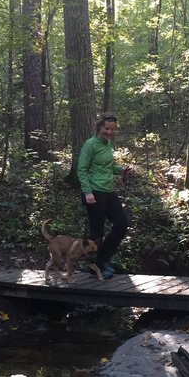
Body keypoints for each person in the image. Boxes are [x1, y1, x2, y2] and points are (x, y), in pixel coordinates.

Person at [76, 112, 131, 279]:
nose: (109, 132)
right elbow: (81, 169)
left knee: (122, 224)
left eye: (112, 129)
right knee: (96, 233)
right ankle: (94, 268)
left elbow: (108, 167)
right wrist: (88, 192)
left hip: (108, 192)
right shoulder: (90, 144)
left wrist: (121, 170)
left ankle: (102, 260)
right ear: (99, 126)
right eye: (107, 128)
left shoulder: (107, 144)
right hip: (94, 193)